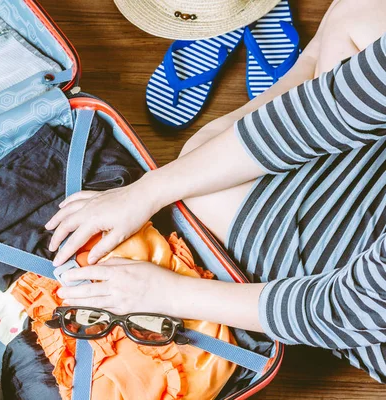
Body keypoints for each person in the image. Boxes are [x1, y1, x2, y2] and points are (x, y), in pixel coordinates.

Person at [45, 0, 386, 382]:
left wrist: (168, 293)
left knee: (203, 180)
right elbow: (329, 110)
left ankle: (305, 65)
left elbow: (343, 310)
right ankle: (306, 64)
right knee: (358, 11)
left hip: (355, 310)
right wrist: (145, 191)